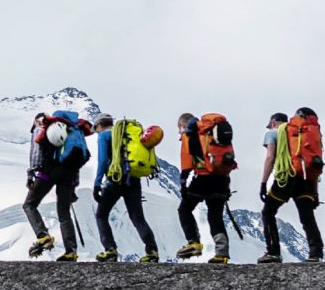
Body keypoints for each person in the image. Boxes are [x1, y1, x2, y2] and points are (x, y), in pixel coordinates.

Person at [24, 110, 92, 262]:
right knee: (64, 212)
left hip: (48, 172)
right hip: (69, 175)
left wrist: (31, 174)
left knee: (29, 204)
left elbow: (36, 153)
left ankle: (43, 236)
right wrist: (74, 186)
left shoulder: (42, 126)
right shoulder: (73, 130)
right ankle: (71, 251)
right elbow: (76, 161)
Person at [258, 107, 324, 263]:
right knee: (307, 216)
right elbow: (312, 166)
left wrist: (263, 183)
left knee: (268, 212)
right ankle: (316, 253)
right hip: (307, 180)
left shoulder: (274, 133)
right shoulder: (307, 135)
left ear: (273, 122)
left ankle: (273, 252)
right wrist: (315, 193)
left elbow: (270, 158)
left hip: (287, 176)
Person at [92, 114, 160, 263]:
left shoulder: (104, 136)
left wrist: (97, 184)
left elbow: (103, 161)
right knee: (137, 217)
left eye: (95, 128)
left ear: (99, 125)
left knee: (101, 215)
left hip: (115, 180)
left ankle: (110, 250)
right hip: (133, 179)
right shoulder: (126, 134)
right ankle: (152, 251)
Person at [175, 112, 232, 264]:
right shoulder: (212, 133)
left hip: (203, 178)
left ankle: (193, 242)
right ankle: (222, 252)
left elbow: (187, 161)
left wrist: (183, 183)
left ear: (182, 124)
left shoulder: (190, 132)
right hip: (222, 179)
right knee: (215, 216)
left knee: (184, 209)